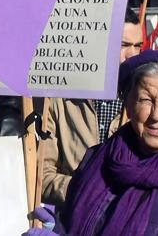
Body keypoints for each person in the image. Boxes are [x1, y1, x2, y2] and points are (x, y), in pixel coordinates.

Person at [29, 49, 158, 235]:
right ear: (128, 105)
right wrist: (59, 228)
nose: (156, 115)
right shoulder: (97, 159)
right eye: (145, 100)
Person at [39, 10, 145, 205]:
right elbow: (40, 176)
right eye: (123, 45)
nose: (132, 54)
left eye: (138, 46)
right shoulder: (61, 99)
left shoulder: (146, 101)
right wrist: (86, 190)